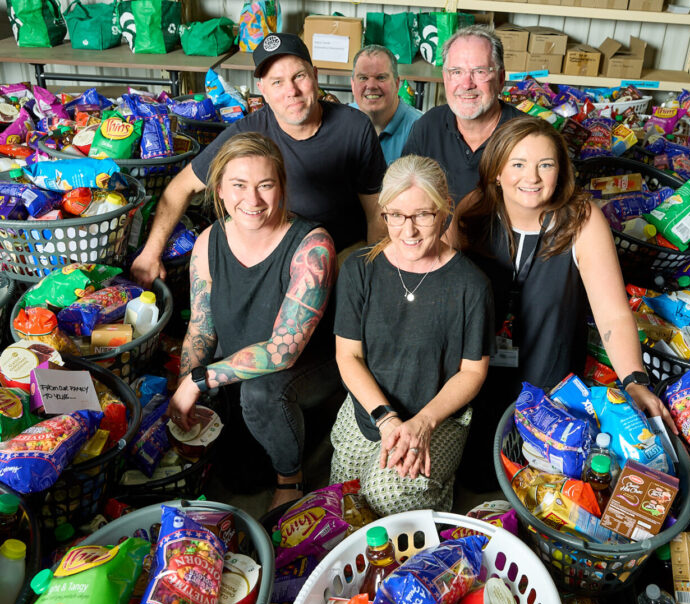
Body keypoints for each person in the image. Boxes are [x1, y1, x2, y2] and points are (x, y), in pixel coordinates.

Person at [452, 116, 674, 489]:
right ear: (496, 172)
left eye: (546, 165)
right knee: (473, 480)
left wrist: (635, 381)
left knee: (540, 490)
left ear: (561, 171)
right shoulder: (473, 211)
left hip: (551, 391)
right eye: (518, 164)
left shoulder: (581, 220)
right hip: (478, 379)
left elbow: (613, 315)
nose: (532, 177)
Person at [167, 132, 339, 510]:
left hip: (311, 364)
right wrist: (185, 384)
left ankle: (291, 480)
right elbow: (200, 327)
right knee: (239, 478)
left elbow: (281, 353)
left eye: (266, 185)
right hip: (243, 361)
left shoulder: (313, 246)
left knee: (260, 394)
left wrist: (200, 380)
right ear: (220, 191)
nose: (253, 199)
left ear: (282, 187)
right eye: (239, 185)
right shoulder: (209, 241)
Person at [131, 32, 387, 288]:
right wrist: (150, 254)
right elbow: (181, 188)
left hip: (341, 257)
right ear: (262, 90)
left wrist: (366, 274)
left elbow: (377, 211)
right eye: (277, 82)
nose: (292, 91)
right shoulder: (247, 133)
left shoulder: (354, 127)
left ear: (315, 76)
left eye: (299, 76)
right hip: (273, 262)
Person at [331, 154, 493, 515]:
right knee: (345, 503)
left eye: (423, 214)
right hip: (371, 407)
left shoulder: (471, 285)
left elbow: (472, 372)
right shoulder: (360, 269)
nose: (409, 230)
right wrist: (386, 418)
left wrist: (422, 423)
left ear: (445, 209)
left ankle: (438, 493)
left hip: (438, 417)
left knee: (385, 494)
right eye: (397, 216)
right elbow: (349, 356)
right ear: (384, 211)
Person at [401, 25, 524, 208]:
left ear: (500, 79)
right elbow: (403, 196)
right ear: (445, 78)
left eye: (479, 71)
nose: (467, 84)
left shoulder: (528, 136)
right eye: (457, 72)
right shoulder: (428, 126)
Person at [349, 44, 422, 164]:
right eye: (363, 78)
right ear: (352, 84)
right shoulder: (341, 122)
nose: (371, 85)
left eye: (381, 77)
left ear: (397, 83)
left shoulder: (419, 129)